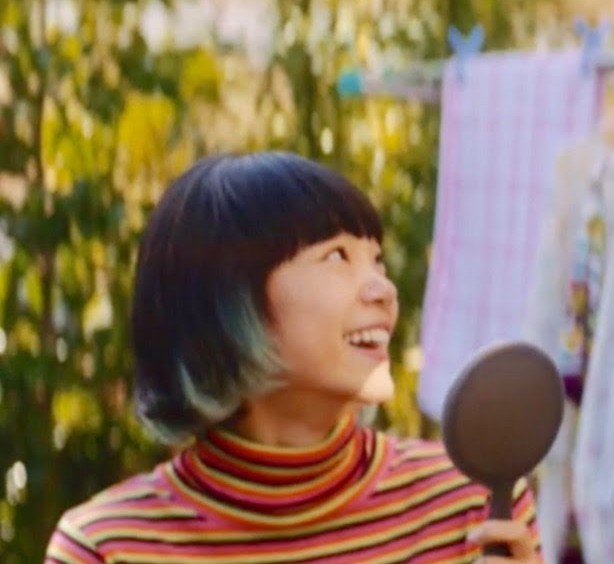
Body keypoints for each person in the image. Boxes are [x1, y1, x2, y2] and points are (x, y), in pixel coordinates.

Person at [44, 152, 542, 563]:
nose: (385, 290)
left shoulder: (475, 505)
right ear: (230, 304)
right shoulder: (105, 548)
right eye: (337, 257)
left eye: (376, 259)